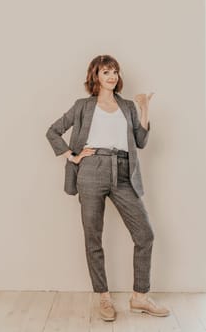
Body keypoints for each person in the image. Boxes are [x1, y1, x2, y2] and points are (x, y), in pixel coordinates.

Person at [46, 55, 170, 321]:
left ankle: (139, 297)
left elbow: (141, 141)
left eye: (115, 71)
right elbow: (53, 131)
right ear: (96, 76)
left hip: (124, 172)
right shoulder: (83, 106)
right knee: (93, 237)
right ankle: (103, 296)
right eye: (105, 72)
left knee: (145, 234)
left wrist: (144, 107)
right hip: (91, 170)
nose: (112, 76)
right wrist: (73, 155)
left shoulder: (127, 106)